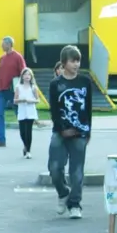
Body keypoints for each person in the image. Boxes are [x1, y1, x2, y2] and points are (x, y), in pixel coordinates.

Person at [48, 45, 91, 220]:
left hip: (80, 132)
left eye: (78, 61)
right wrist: (62, 129)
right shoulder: (55, 84)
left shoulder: (85, 82)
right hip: (60, 132)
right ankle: (63, 192)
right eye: (73, 61)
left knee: (77, 171)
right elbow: (54, 110)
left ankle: (75, 204)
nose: (76, 64)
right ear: (64, 63)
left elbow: (88, 108)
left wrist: (88, 131)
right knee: (54, 168)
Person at [0, 36, 26, 148]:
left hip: (13, 91)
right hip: (1, 90)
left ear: (9, 44)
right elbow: (0, 75)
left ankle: (25, 140)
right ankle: (1, 140)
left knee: (19, 115)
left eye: (3, 44)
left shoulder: (18, 57)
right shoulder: (1, 58)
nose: (1, 45)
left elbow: (24, 72)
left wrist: (21, 89)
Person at [15, 67, 39, 159]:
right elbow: (15, 100)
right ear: (22, 76)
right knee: (22, 132)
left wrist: (30, 101)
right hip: (22, 111)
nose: (27, 76)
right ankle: (25, 146)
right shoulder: (18, 87)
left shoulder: (33, 87)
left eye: (29, 74)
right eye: (25, 74)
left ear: (31, 76)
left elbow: (37, 100)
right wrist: (21, 100)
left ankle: (28, 151)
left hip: (30, 111)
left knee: (28, 131)